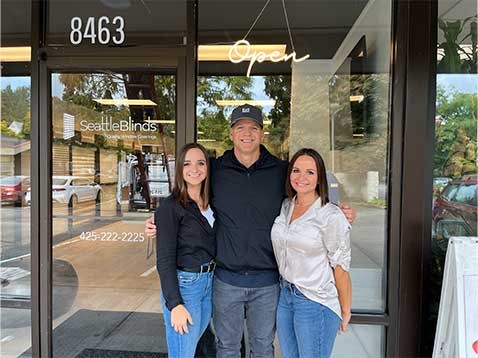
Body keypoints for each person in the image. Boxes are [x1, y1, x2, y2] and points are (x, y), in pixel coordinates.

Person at [147, 104, 356, 358]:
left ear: (262, 133)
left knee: (262, 349)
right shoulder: (215, 169)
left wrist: (337, 210)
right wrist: (159, 218)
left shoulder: (280, 170)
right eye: (240, 127)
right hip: (225, 281)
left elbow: (307, 194)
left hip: (267, 283)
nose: (247, 133)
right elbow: (188, 190)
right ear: (231, 134)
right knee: (227, 349)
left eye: (253, 127)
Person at [271, 148, 352, 358]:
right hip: (286, 296)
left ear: (319, 178)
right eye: (296, 170)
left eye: (310, 172)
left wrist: (345, 310)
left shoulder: (330, 215)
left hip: (315, 301)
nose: (302, 177)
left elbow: (341, 268)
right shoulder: (286, 206)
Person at [155, 143, 216, 358]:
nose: (195, 169)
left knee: (189, 348)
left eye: (201, 163)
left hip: (208, 283)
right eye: (188, 163)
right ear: (180, 168)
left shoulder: (210, 202)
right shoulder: (170, 208)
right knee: (182, 353)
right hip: (185, 286)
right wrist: (175, 304)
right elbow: (164, 259)